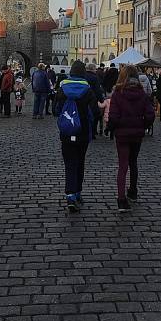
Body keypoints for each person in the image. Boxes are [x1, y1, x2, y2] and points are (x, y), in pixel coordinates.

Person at [108, 65, 155, 211]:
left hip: (122, 134)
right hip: (137, 134)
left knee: (123, 166)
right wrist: (143, 125)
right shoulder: (142, 93)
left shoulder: (118, 93)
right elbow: (150, 115)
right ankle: (133, 192)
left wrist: (111, 128)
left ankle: (122, 200)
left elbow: (113, 116)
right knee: (133, 163)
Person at [54, 60, 97, 213]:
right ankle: (78, 192)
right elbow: (94, 114)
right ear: (83, 73)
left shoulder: (62, 89)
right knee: (80, 162)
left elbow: (56, 110)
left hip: (67, 132)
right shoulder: (88, 90)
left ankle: (70, 195)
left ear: (71, 72)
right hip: (83, 133)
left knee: (70, 163)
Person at [85, 64, 104, 139]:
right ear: (92, 69)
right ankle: (92, 132)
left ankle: (86, 131)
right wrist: (101, 99)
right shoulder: (94, 77)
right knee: (94, 116)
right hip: (93, 99)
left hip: (84, 99)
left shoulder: (84, 76)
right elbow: (97, 90)